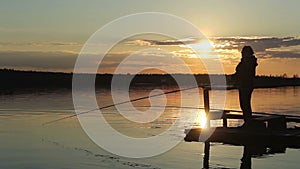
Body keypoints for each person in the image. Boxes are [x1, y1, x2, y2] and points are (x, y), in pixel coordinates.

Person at [234, 46, 258, 126]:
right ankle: (247, 121)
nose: (241, 53)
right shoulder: (248, 61)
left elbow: (244, 73)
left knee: (245, 104)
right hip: (245, 84)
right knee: (245, 104)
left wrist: (237, 78)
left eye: (243, 52)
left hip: (245, 85)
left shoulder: (248, 62)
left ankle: (248, 122)